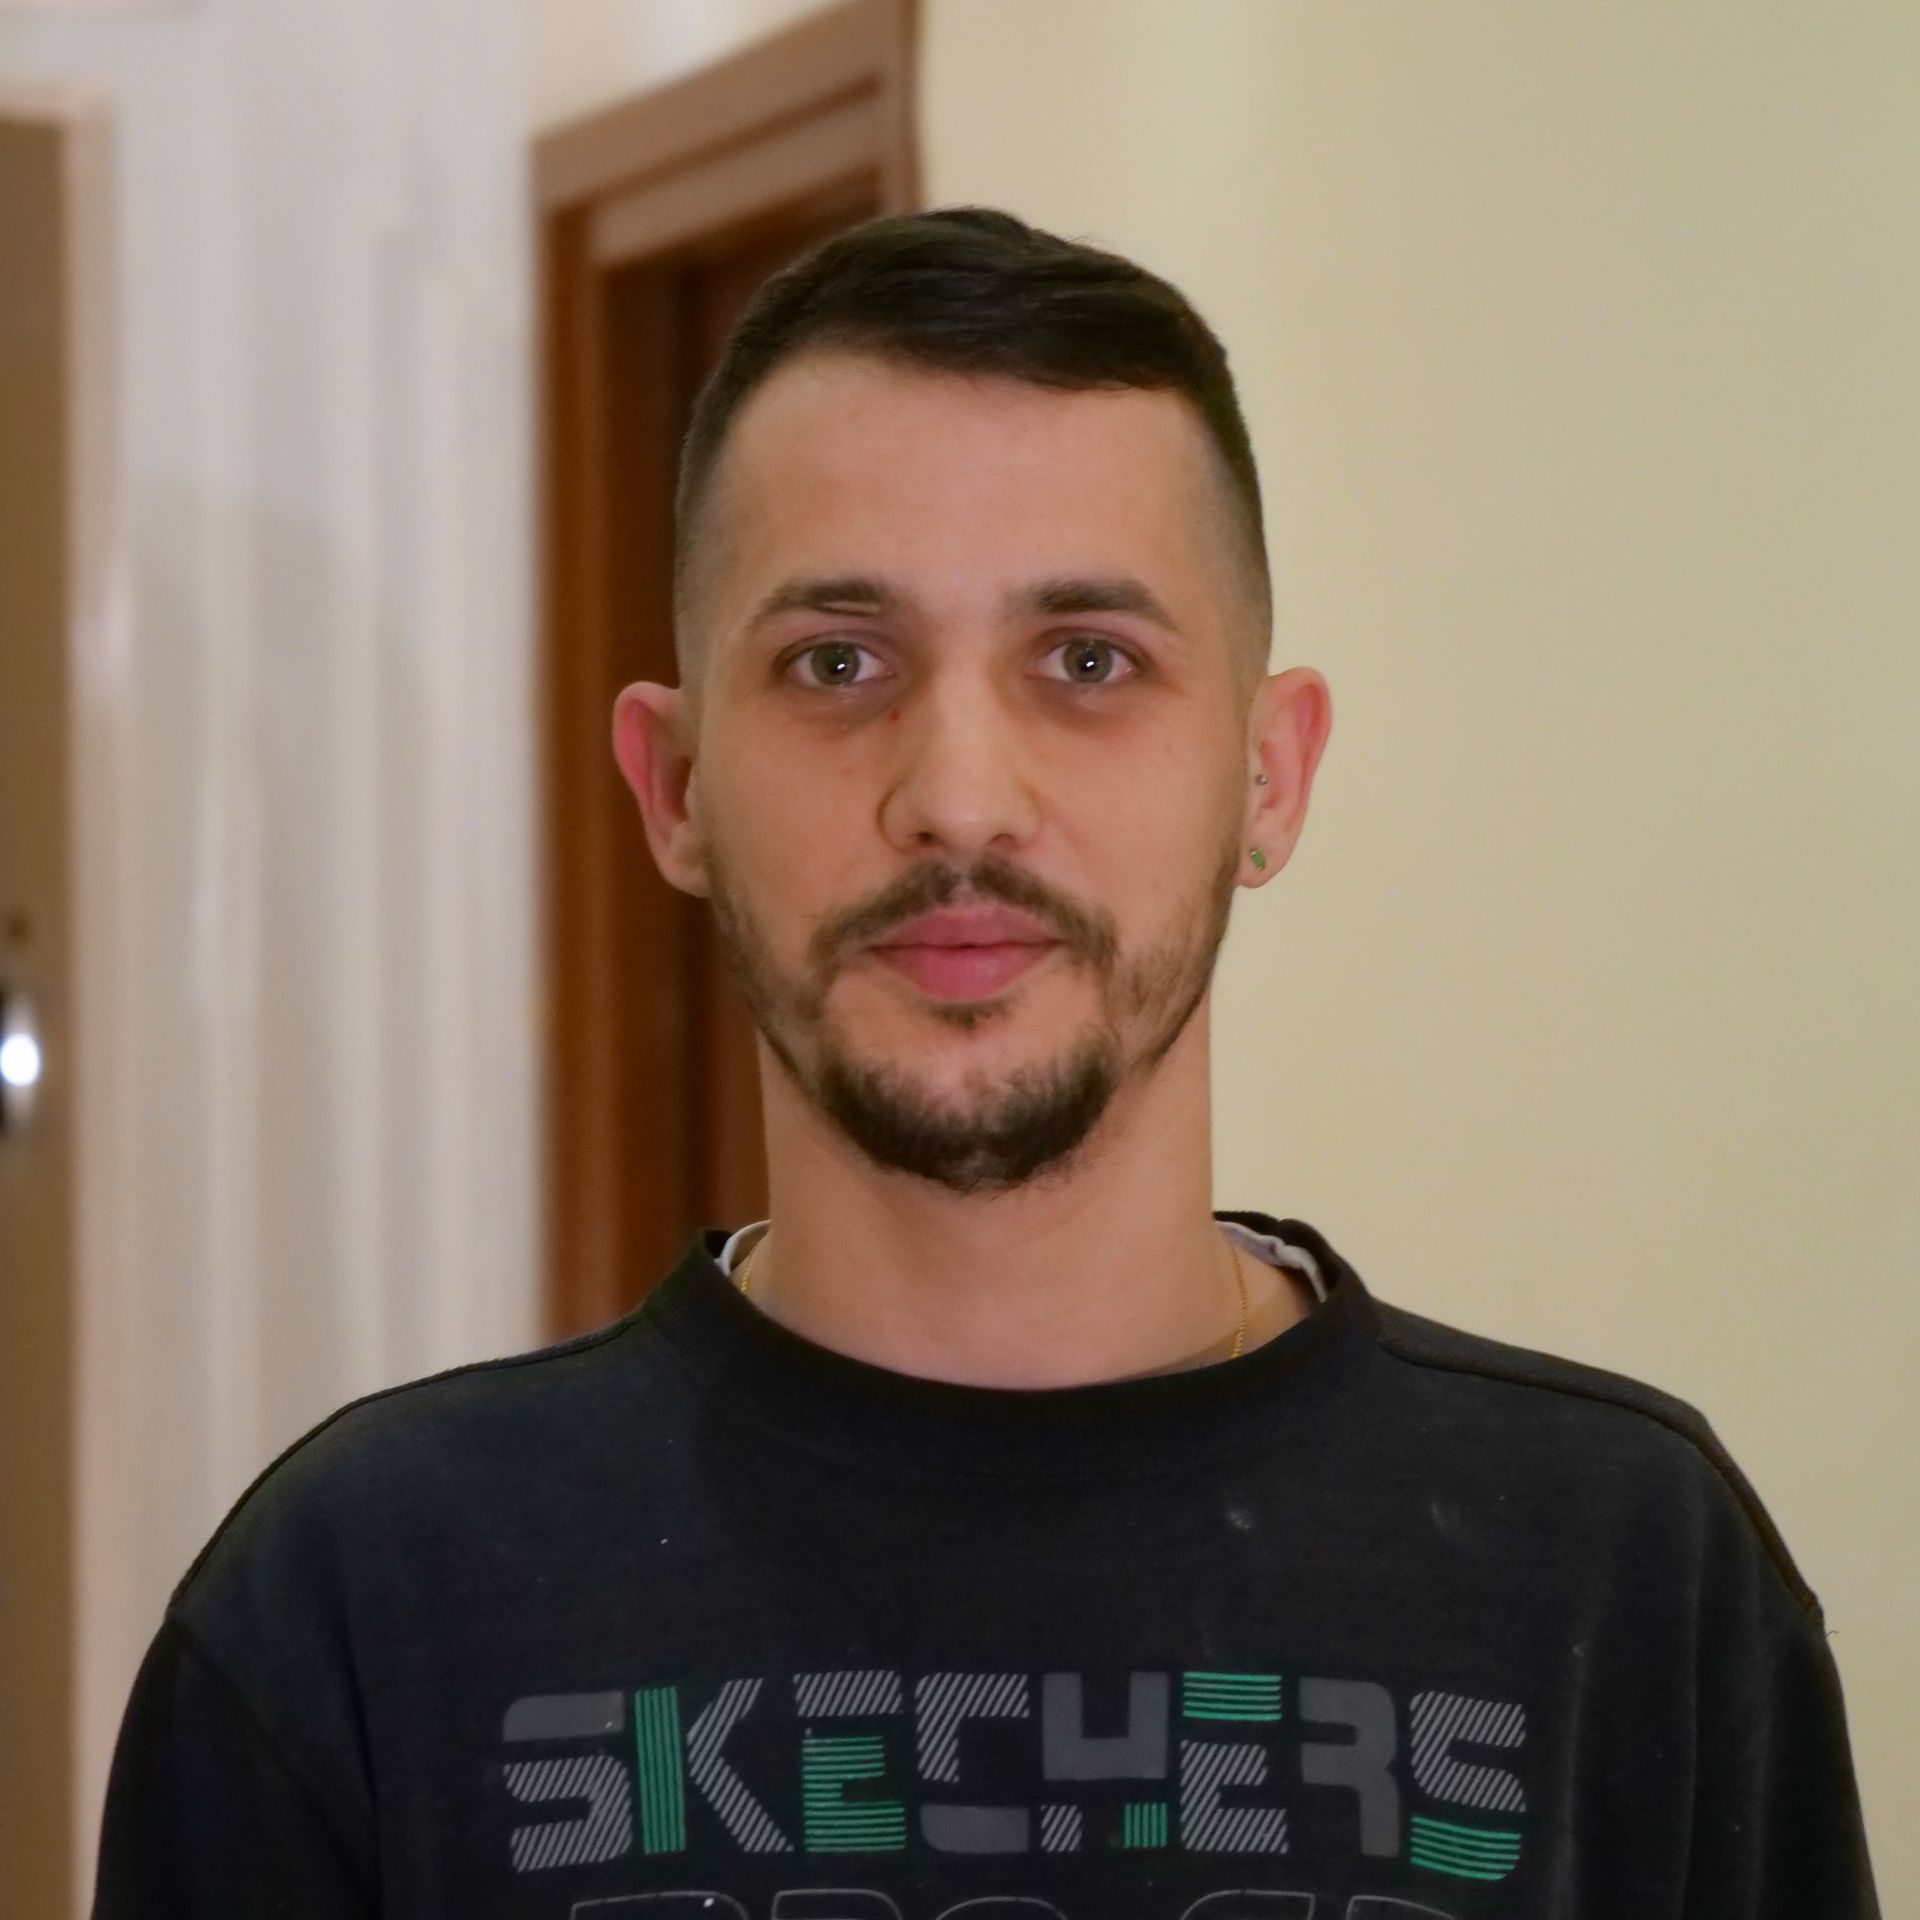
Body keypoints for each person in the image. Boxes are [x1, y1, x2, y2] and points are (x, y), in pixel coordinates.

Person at [91, 207, 1878, 1920]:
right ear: (677, 786)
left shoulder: (1624, 1579)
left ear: (1269, 777)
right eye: (838, 659)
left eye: (1088, 660)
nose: (956, 796)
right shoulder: (359, 1610)